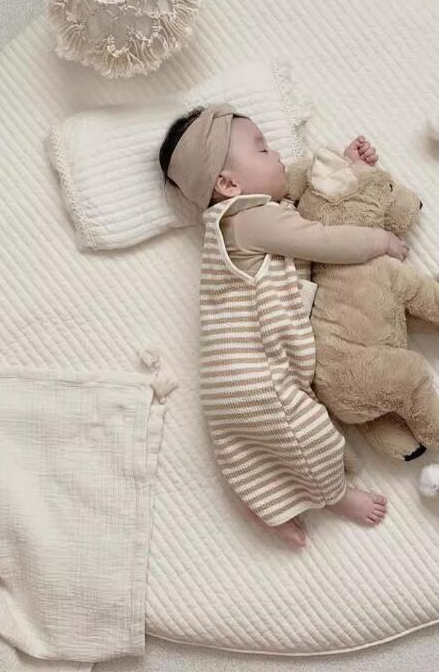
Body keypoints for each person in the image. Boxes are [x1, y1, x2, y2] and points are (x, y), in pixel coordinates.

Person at [160, 103, 408, 549]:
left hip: (232, 376)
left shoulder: (236, 223)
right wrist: (379, 241)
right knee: (309, 436)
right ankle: (334, 496)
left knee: (244, 444)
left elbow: (310, 204)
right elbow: (322, 238)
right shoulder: (250, 219)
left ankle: (260, 502)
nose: (276, 155)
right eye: (262, 149)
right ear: (228, 184)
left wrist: (345, 167)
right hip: (257, 372)